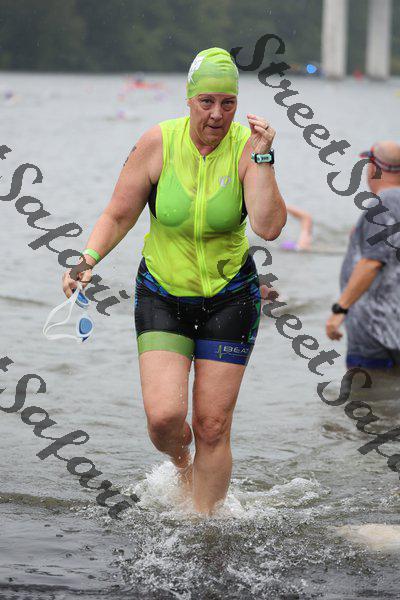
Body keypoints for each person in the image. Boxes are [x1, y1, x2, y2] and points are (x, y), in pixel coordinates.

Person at [62, 48, 286, 514]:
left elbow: (268, 227)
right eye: (207, 101)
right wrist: (87, 259)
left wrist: (264, 157)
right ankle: (183, 465)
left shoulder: (248, 147)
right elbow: (118, 213)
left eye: (227, 103)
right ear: (189, 100)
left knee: (212, 425)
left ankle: (205, 526)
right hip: (163, 294)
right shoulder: (158, 143)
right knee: (164, 420)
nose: (217, 114)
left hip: (231, 297)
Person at [326, 141, 400, 369]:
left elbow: (371, 263)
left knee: (366, 389)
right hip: (393, 324)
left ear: (373, 167)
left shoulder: (383, 204)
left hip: (375, 330)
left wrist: (340, 309)